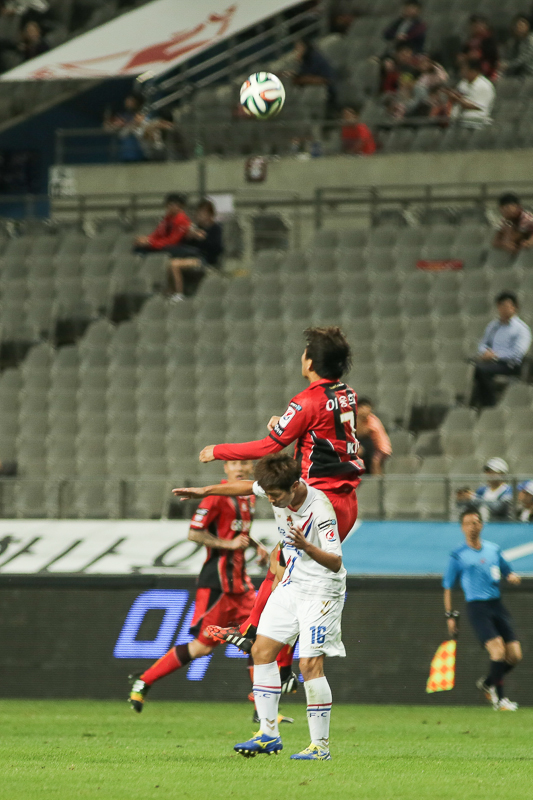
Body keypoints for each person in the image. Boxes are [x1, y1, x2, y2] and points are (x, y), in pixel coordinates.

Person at [195, 327, 364, 654]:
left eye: (305, 352)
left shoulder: (306, 401)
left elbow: (269, 446)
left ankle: (271, 649)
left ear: (311, 362)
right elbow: (324, 435)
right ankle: (252, 631)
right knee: (280, 563)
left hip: (317, 502)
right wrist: (287, 423)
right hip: (346, 499)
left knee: (288, 573)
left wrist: (219, 451)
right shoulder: (348, 394)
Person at [176, 453, 346, 760]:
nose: (271, 500)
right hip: (292, 585)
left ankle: (320, 747)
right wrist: (205, 491)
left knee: (309, 666)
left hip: (322, 592)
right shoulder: (275, 488)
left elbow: (335, 562)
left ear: (294, 486)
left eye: (276, 496)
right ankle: (268, 735)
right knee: (261, 651)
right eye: (268, 494)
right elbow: (244, 486)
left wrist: (307, 546)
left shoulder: (320, 509)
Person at [128, 460, 268, 712]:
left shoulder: (248, 497)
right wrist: (228, 544)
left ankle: (262, 708)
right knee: (202, 648)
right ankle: (144, 680)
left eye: (244, 463)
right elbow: (194, 533)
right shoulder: (215, 497)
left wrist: (257, 546)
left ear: (250, 468)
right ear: (225, 468)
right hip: (217, 585)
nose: (239, 468)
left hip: (241, 584)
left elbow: (239, 531)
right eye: (233, 463)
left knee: (260, 637)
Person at [443, 507, 522, 711]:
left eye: (475, 522)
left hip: (497, 605)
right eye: (467, 523)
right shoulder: (458, 555)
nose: (472, 527)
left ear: (481, 525)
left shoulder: (493, 549)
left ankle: (488, 683)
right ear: (462, 528)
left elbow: (506, 570)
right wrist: (450, 615)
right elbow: (448, 586)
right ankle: (500, 699)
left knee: (515, 655)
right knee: (498, 651)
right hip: (477, 607)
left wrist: (511, 576)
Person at [470, 292, 532, 408]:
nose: (504, 309)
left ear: (515, 307)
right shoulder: (493, 326)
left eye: (507, 306)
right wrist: (485, 352)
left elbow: (518, 352)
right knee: (470, 365)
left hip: (510, 364)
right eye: (501, 306)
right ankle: (475, 401)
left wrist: (495, 355)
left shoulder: (521, 329)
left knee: (480, 370)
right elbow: (483, 343)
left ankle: (489, 404)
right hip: (491, 361)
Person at [167, 198, 224, 302]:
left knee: (174, 265)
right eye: (198, 212)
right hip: (192, 257)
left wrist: (203, 239)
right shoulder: (196, 228)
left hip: (204, 259)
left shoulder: (216, 228)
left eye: (202, 213)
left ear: (209, 214)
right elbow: (186, 246)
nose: (199, 215)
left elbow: (217, 248)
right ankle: (171, 292)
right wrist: (189, 237)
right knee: (169, 263)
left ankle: (179, 294)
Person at [133, 193, 191, 258]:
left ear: (180, 206)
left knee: (143, 250)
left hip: (175, 247)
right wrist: (146, 239)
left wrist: (151, 243)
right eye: (169, 205)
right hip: (163, 244)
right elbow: (157, 233)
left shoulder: (182, 220)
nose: (170, 207)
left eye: (173, 205)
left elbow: (173, 241)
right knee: (139, 247)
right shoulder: (167, 218)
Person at [445, 59, 495, 129]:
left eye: (465, 70)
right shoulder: (463, 83)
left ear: (474, 71)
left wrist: (457, 99)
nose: (462, 72)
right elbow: (460, 97)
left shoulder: (484, 85)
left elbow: (476, 106)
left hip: (477, 122)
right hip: (460, 120)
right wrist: (453, 96)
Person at [290, 38, 337, 109]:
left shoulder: (314, 57)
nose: (297, 51)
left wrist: (302, 78)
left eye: (299, 48)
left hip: (327, 87)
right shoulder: (305, 59)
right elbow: (299, 76)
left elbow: (322, 77)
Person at [356, 398, 392, 475]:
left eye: (367, 408)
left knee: (375, 461)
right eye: (362, 407)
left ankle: (377, 480)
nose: (365, 411)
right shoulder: (357, 420)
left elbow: (362, 433)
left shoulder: (372, 421)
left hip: (381, 449)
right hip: (370, 446)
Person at [458, 15, 499, 80]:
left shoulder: (489, 39)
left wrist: (479, 54)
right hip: (471, 67)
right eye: (474, 25)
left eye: (479, 24)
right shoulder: (470, 40)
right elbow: (464, 52)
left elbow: (492, 54)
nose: (477, 27)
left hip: (487, 68)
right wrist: (464, 56)